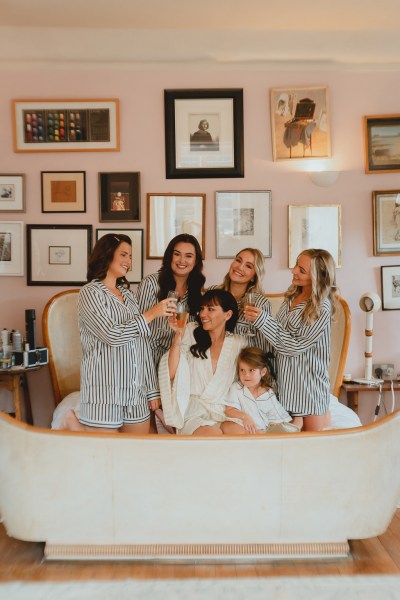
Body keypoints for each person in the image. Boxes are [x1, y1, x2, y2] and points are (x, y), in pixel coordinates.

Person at [62, 233, 175, 434]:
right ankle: (74, 424)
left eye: (130, 256)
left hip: (135, 393)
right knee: (104, 457)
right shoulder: (90, 292)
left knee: (133, 456)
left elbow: (142, 344)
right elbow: (112, 335)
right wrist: (151, 313)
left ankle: (76, 426)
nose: (128, 261)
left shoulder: (128, 296)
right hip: (104, 392)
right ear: (107, 254)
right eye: (124, 254)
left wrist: (151, 391)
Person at [243, 248, 338, 432]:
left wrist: (263, 320)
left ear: (317, 277)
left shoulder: (321, 308)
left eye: (301, 270)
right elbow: (276, 339)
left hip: (309, 391)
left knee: (314, 452)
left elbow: (292, 347)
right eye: (296, 265)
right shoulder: (292, 296)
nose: (293, 271)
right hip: (285, 390)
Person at [158, 289, 247, 436]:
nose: (203, 314)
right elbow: (171, 373)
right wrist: (178, 335)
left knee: (241, 433)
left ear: (228, 315)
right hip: (195, 411)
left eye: (210, 309)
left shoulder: (239, 343)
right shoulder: (190, 332)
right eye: (202, 309)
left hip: (223, 409)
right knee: (212, 435)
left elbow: (245, 381)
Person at [136, 233, 205, 369]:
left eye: (189, 256)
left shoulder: (199, 291)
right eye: (177, 254)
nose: (182, 260)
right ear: (170, 256)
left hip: (180, 359)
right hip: (147, 357)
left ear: (196, 261)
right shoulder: (150, 283)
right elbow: (138, 327)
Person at [221, 347, 301, 435]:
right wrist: (245, 417)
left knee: (287, 429)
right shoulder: (236, 388)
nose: (246, 375)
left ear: (263, 372)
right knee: (228, 426)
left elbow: (277, 419)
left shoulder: (268, 394)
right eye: (242, 370)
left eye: (251, 370)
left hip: (262, 431)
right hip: (242, 427)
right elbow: (230, 410)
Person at [210, 248, 272, 352]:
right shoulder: (213, 292)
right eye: (238, 260)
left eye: (248, 266)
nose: (240, 267)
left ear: (254, 276)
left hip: (243, 364)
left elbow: (263, 347)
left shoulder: (260, 304)